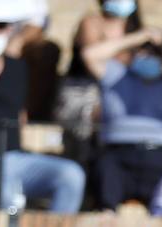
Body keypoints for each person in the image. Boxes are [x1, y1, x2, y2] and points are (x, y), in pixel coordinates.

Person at [0, 4, 86, 212]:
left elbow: (34, 21)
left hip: (16, 157)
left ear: (9, 29)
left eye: (0, 25)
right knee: (7, 197)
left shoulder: (17, 66)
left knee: (71, 175)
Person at [84, 27, 162, 210]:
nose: (149, 56)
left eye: (155, 53)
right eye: (144, 51)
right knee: (104, 170)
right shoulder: (117, 75)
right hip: (120, 155)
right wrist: (139, 37)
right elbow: (90, 54)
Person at [54, 0, 142, 169]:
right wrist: (135, 41)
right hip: (83, 92)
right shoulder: (91, 22)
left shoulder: (135, 27)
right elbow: (94, 58)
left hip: (121, 93)